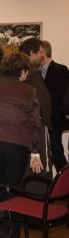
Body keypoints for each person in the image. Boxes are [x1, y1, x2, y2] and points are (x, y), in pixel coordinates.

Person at [0, 52, 43, 238]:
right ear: (22, 72)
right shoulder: (29, 91)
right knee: (11, 190)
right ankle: (11, 235)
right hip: (17, 145)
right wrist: (35, 152)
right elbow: (33, 124)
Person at [19, 38, 52, 172]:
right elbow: (44, 104)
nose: (42, 55)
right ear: (31, 53)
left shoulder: (15, 73)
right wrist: (48, 123)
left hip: (18, 130)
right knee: (38, 169)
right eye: (40, 52)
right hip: (35, 129)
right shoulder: (34, 74)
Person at [41, 40, 69, 171]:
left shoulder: (61, 69)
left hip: (55, 120)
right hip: (40, 122)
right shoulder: (34, 73)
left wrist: (43, 99)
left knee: (56, 152)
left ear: (43, 52)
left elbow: (63, 94)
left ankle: (64, 183)